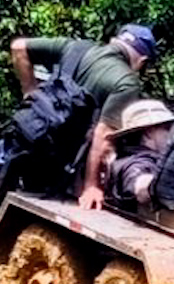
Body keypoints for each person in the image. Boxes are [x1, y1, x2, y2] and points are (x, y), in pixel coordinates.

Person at [9, 23, 158, 210]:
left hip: (28, 142)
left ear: (116, 41)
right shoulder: (126, 82)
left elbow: (19, 47)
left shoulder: (75, 47)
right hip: (63, 162)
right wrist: (91, 186)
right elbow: (103, 135)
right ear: (142, 61)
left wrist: (30, 92)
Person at [102, 99, 174, 212]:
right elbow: (138, 181)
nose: (172, 133)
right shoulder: (135, 162)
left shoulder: (128, 157)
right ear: (148, 133)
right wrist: (155, 186)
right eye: (167, 128)